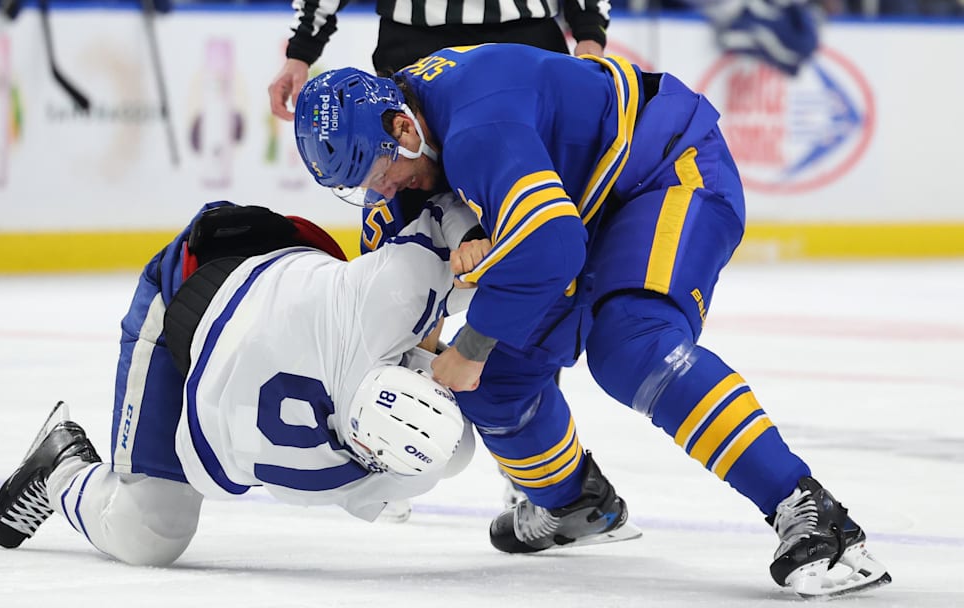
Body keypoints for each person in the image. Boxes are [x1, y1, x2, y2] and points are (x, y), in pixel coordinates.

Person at [292, 45, 891, 597]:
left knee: (633, 345)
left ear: (403, 127)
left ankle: (810, 511)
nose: (383, 189)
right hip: (576, 207)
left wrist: (467, 348)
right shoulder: (404, 146)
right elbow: (401, 287)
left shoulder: (478, 125)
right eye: (363, 185)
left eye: (380, 172)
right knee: (498, 386)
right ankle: (578, 504)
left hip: (660, 169)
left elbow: (551, 247)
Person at [0, 196, 484, 566]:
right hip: (182, 294)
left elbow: (442, 217)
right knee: (150, 533)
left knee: (152, 536)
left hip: (253, 324)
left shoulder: (391, 303)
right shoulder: (332, 472)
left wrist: (465, 253)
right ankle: (62, 468)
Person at [267, 0, 610, 122]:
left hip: (525, 41)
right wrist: (300, 51)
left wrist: (590, 34)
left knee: (535, 181)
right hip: (413, 47)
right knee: (412, 187)